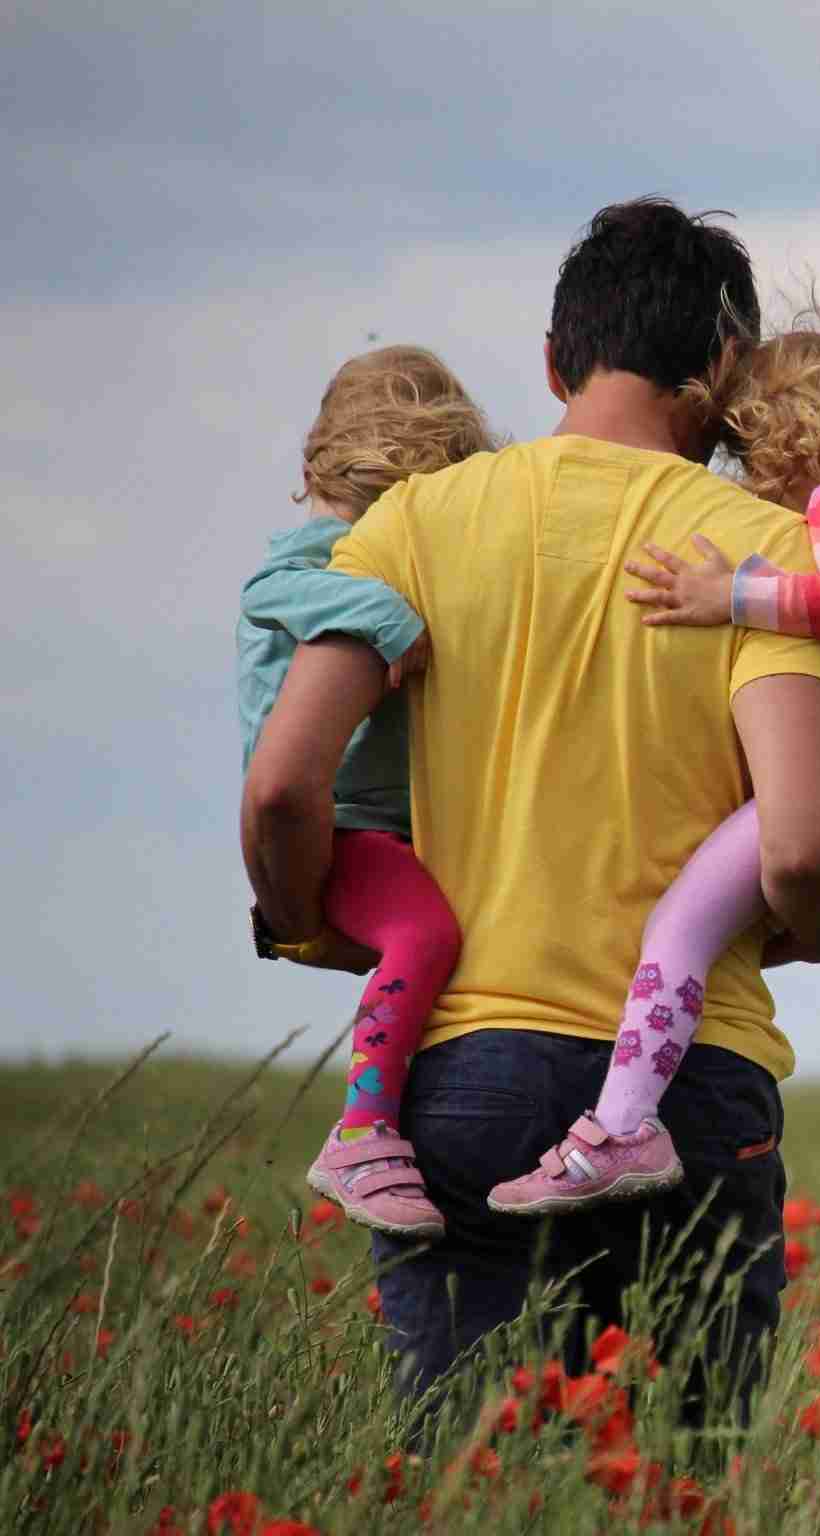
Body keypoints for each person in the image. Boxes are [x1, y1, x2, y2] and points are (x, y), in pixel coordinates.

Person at [240, 197, 820, 1410]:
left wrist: (310, 916)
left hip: (464, 1072)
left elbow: (280, 784)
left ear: (551, 358)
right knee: (683, 1486)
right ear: (725, 371)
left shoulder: (411, 525)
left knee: (476, 1482)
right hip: (691, 1088)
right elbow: (798, 849)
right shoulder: (765, 553)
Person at [487, 315, 820, 1215]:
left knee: (677, 928)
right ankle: (650, 1079)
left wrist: (724, 594)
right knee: (722, 934)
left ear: (793, 434)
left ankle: (619, 1129)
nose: (747, 478)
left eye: (747, 451)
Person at [237, 345, 493, 1239]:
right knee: (426, 933)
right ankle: (363, 1130)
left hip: (386, 825)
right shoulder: (323, 555)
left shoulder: (362, 545)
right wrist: (390, 619)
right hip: (344, 827)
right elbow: (272, 587)